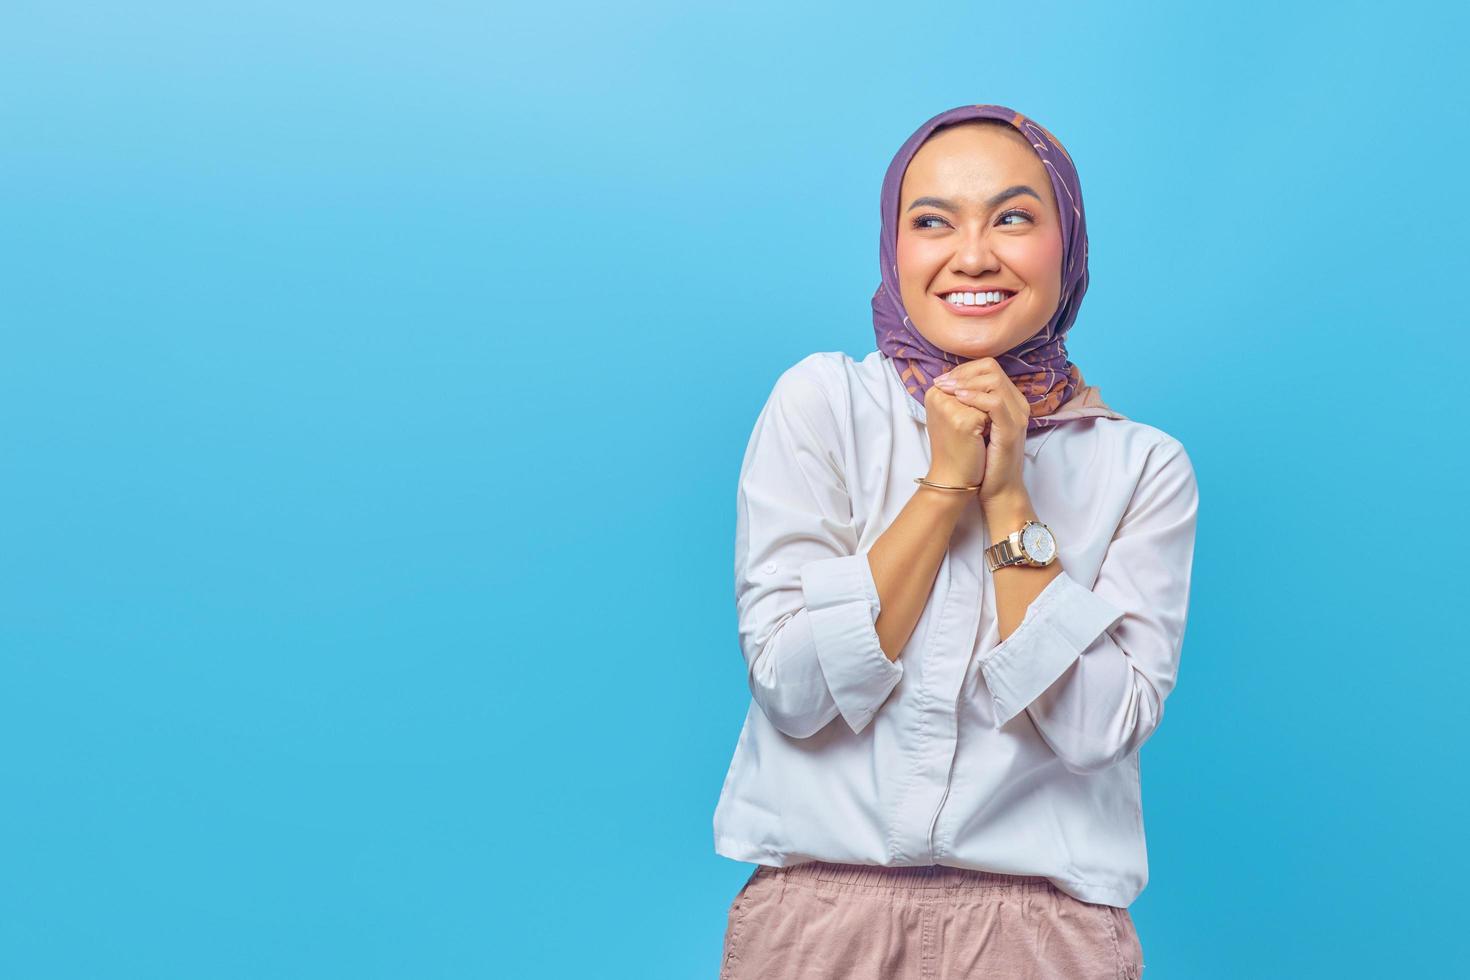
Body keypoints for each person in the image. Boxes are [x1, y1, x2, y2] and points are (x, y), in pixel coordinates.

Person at [711, 103, 1199, 979]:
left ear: (1069, 244)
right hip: (818, 925)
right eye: (932, 221)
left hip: (1046, 938)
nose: (972, 255)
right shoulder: (822, 405)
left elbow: (1097, 730)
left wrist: (1009, 499)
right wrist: (944, 489)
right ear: (894, 247)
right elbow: (792, 689)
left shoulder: (1142, 467)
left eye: (1013, 217)